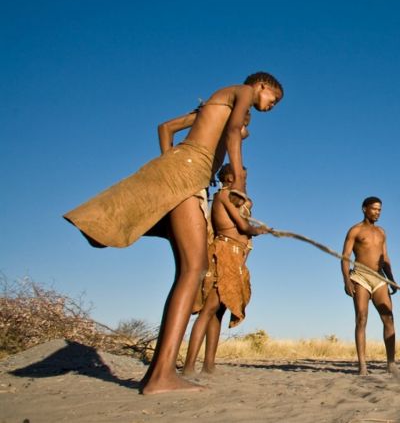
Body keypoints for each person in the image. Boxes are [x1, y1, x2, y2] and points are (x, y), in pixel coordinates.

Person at [64, 72, 282, 394]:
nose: (270, 107)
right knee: (195, 268)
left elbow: (165, 128)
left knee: (192, 267)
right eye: (272, 100)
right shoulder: (243, 91)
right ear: (262, 86)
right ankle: (161, 376)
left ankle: (160, 373)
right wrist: (236, 175)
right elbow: (235, 130)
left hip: (185, 170)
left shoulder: (214, 102)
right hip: (190, 171)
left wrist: (170, 165)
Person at [183, 164, 269, 376]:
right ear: (229, 178)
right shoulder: (223, 196)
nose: (245, 181)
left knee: (218, 312)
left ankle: (208, 364)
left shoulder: (233, 197)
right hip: (225, 252)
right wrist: (259, 230)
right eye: (241, 177)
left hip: (235, 255)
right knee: (209, 309)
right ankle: (189, 366)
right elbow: (243, 227)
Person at [342, 196, 399, 375]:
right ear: (364, 209)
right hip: (360, 276)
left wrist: (392, 278)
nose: (377, 212)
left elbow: (385, 257)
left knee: (388, 318)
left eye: (380, 210)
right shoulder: (355, 230)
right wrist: (346, 280)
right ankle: (363, 366)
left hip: (379, 277)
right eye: (374, 209)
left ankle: (391, 364)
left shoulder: (382, 232)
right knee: (361, 318)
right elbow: (345, 257)